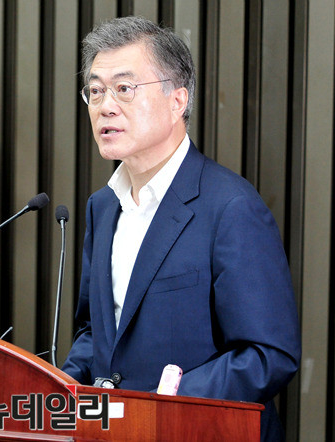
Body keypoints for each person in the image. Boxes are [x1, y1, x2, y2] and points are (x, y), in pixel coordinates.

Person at [61, 16, 300, 441]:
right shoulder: (103, 206)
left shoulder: (230, 206)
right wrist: (62, 392)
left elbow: (269, 354)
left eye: (124, 88)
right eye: (95, 91)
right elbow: (95, 331)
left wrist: (164, 405)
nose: (105, 106)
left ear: (177, 100)